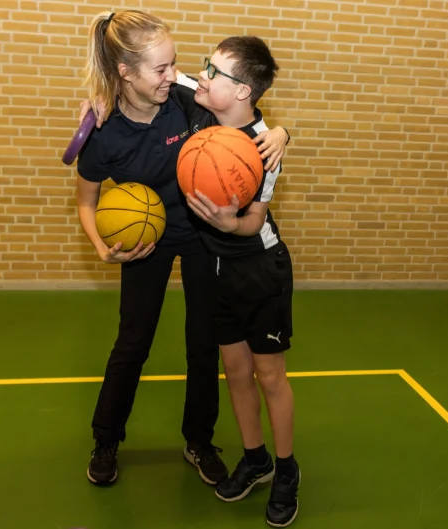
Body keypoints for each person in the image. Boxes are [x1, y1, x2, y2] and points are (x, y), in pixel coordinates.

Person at [74, 10, 290, 488]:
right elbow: (86, 200)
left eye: (174, 65)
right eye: (162, 68)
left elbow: (246, 108)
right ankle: (106, 439)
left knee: (202, 345)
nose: (174, 74)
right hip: (145, 240)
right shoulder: (104, 130)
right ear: (124, 72)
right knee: (133, 342)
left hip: (201, 236)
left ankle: (199, 440)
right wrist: (101, 247)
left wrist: (280, 132)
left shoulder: (184, 96)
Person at [175, 37, 299, 527]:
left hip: (259, 268)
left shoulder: (264, 148)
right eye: (205, 66)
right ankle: (256, 458)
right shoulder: (203, 100)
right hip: (217, 271)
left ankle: (287, 471)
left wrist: (230, 225)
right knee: (235, 371)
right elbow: (153, 76)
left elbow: (252, 223)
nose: (200, 75)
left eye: (214, 71)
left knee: (270, 376)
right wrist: (99, 96)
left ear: (243, 91)